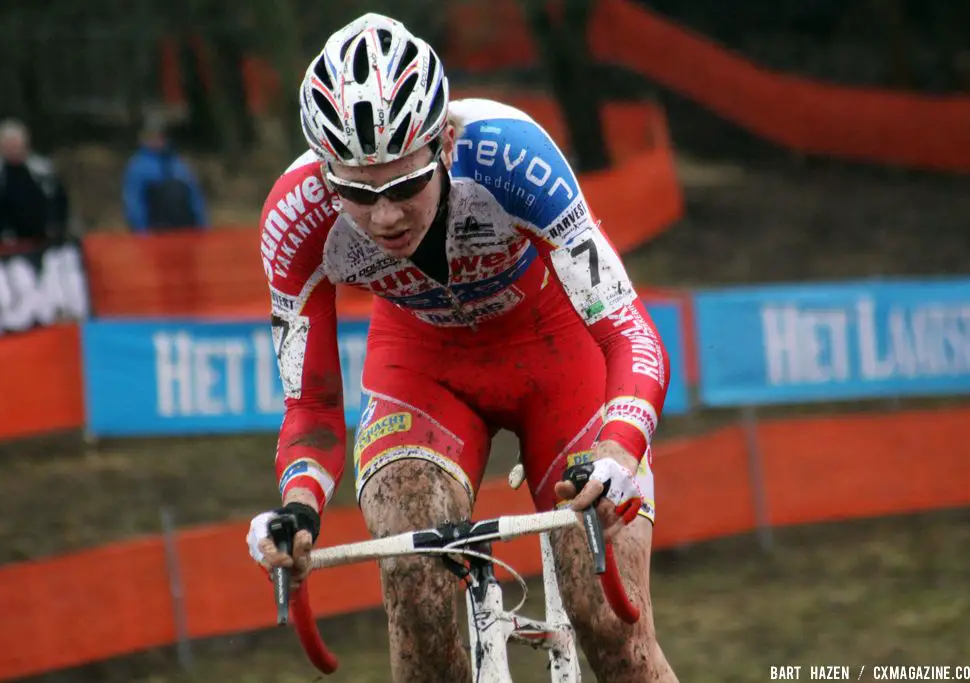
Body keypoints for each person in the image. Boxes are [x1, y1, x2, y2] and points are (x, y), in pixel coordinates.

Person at [245, 13, 679, 683]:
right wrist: (298, 505)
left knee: (616, 637)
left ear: (444, 140)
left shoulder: (512, 155)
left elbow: (630, 332)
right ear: (324, 171)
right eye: (357, 193)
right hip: (423, 370)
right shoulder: (295, 217)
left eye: (402, 186)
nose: (384, 216)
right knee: (420, 609)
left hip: (556, 354)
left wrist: (621, 447)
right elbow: (311, 404)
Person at [0, 118, 69, 245]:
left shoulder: (42, 171)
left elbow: (60, 203)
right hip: (5, 246)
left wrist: (55, 229)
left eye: (16, 145)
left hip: (43, 242)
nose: (13, 150)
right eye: (8, 146)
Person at [122, 116, 209, 233]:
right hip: (156, 236)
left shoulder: (179, 164)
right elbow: (134, 203)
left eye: (160, 136)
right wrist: (142, 233)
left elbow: (195, 198)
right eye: (151, 136)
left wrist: (203, 227)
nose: (157, 140)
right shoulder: (137, 167)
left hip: (187, 233)